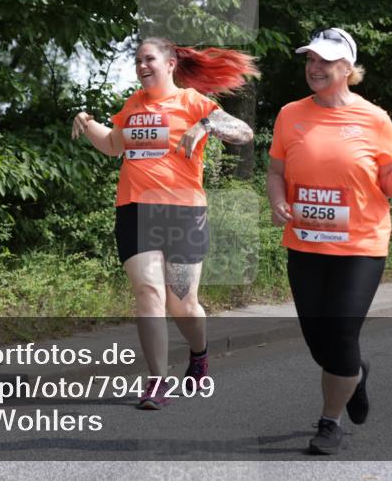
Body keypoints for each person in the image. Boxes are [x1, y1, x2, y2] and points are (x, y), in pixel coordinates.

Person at [72, 36, 256, 409]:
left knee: (183, 305)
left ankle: (199, 352)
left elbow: (244, 132)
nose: (141, 65)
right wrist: (86, 122)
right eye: (137, 60)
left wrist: (205, 125)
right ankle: (158, 381)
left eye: (149, 59)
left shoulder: (192, 102)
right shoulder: (133, 106)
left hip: (183, 213)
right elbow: (112, 145)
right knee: (149, 294)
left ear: (170, 63)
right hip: (135, 210)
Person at [266, 27, 392, 453]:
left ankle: (329, 421)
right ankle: (356, 373)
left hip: (361, 246)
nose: (315, 67)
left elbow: (390, 186)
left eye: (325, 61)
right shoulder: (289, 115)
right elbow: (277, 172)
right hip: (305, 244)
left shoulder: (375, 119)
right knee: (322, 344)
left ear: (347, 69)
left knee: (340, 334)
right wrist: (278, 201)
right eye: (310, 59)